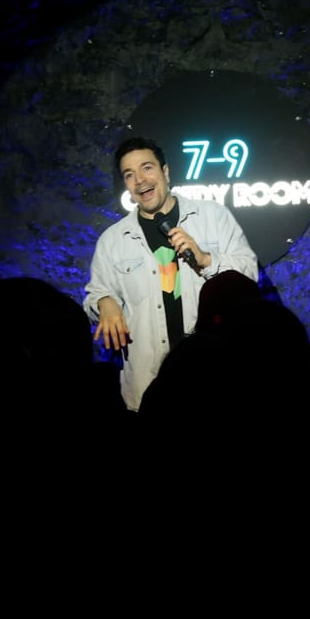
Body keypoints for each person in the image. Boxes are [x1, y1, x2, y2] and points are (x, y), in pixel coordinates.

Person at [83, 136, 259, 412]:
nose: (140, 180)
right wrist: (104, 301)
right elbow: (95, 294)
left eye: (147, 168)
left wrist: (205, 259)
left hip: (214, 380)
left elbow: (249, 274)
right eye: (129, 174)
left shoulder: (213, 216)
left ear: (165, 172)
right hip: (146, 390)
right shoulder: (113, 240)